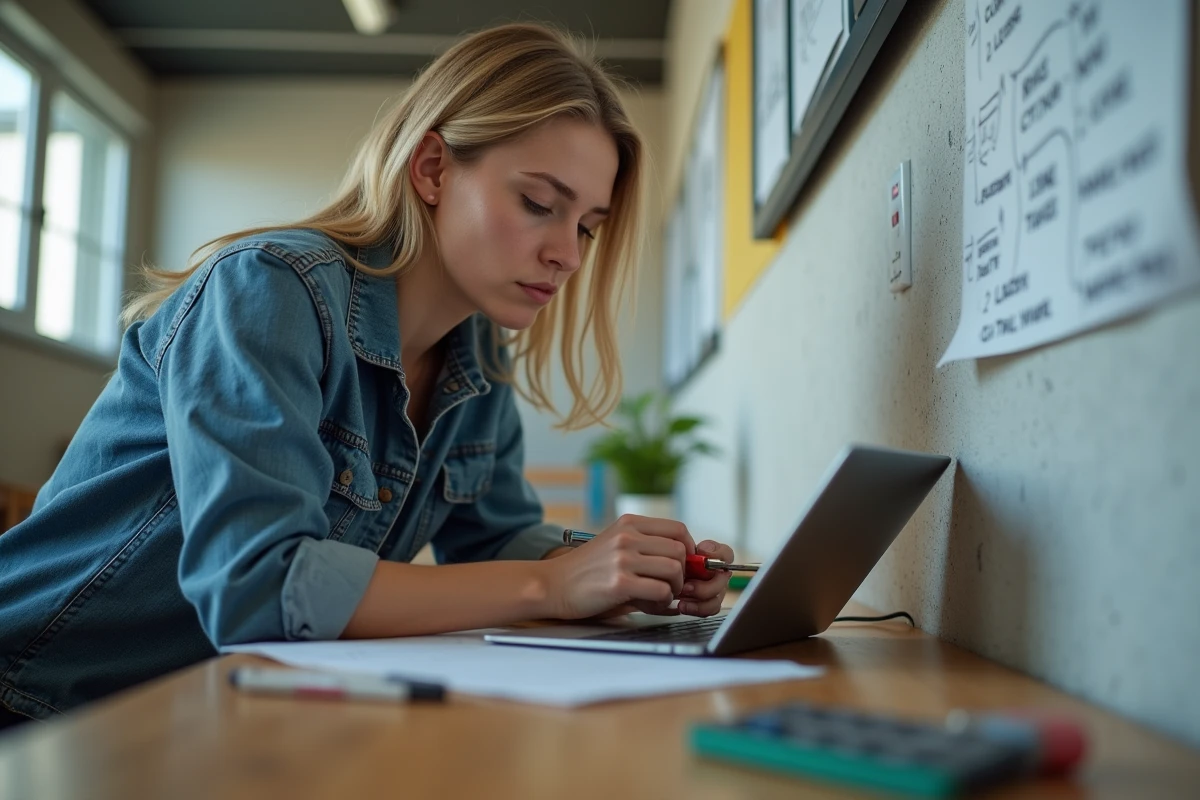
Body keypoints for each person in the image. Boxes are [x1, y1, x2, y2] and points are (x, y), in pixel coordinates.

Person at [0, 22, 735, 728]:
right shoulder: (267, 290)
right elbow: (255, 589)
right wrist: (552, 584)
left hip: (203, 716)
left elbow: (494, 544)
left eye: (586, 227)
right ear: (433, 169)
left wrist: (627, 574)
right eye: (539, 204)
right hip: (38, 705)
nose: (568, 256)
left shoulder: (479, 353)